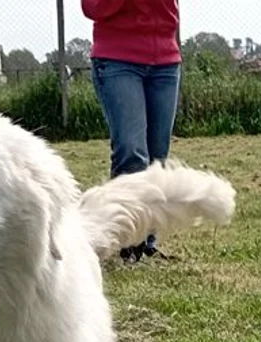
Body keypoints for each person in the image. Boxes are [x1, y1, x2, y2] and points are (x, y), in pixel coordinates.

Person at [82, 0, 181, 262]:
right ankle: (128, 242)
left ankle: (147, 242)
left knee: (157, 157)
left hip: (165, 60)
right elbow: (93, 8)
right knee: (131, 151)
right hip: (117, 59)